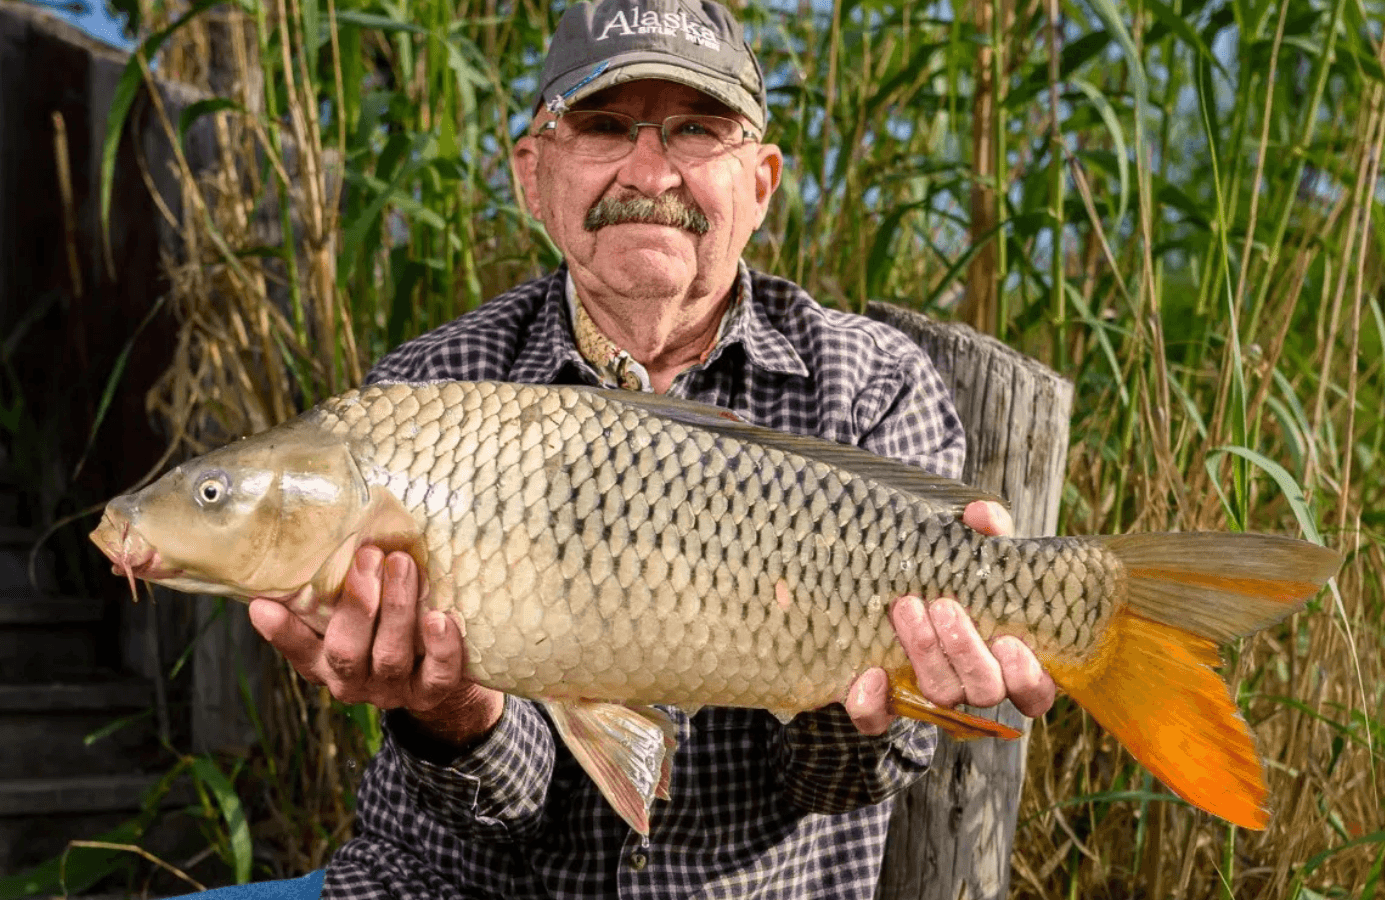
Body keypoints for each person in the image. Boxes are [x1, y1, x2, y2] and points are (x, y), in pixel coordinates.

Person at [247, 1, 1058, 896]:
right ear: (532, 172)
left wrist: (856, 685)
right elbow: (504, 808)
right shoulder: (430, 391)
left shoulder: (867, 385)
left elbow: (844, 785)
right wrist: (449, 709)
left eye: (697, 130)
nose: (649, 169)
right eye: (601, 125)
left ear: (760, 179)